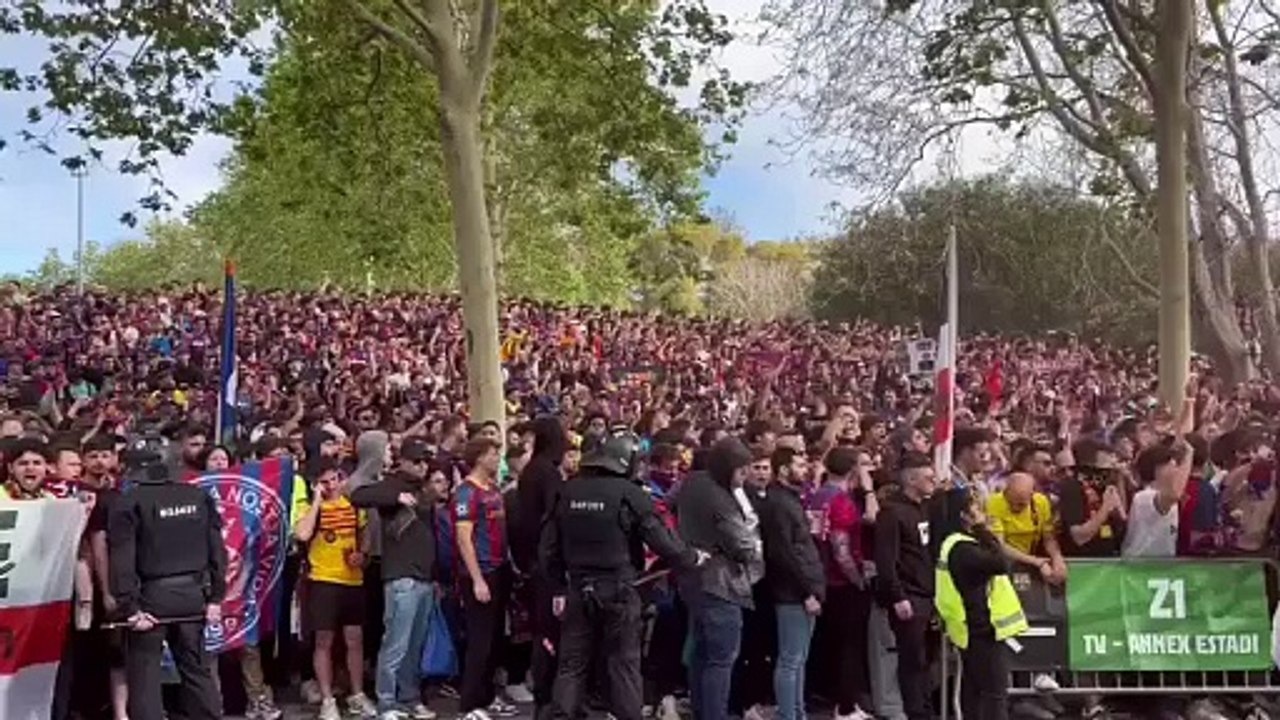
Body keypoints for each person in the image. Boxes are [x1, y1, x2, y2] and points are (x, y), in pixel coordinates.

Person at [539, 431, 704, 720]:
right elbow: (660, 540)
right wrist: (691, 558)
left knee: (572, 665)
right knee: (624, 665)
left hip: (578, 588)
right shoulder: (630, 494)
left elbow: (548, 550)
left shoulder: (568, 491)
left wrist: (558, 587)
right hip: (619, 588)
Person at [107, 444, 226, 720]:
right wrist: (216, 598)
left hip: (151, 597)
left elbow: (122, 559)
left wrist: (130, 607)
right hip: (195, 594)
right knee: (197, 671)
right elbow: (217, 551)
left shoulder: (128, 501)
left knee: (145, 675)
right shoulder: (199, 496)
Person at [351, 435, 438, 720]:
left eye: (426, 461)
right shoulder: (392, 483)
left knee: (414, 645)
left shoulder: (424, 488)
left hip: (424, 576)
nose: (423, 466)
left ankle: (409, 698)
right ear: (404, 462)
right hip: (401, 576)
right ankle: (387, 702)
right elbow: (357, 495)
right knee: (396, 644)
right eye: (417, 461)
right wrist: (395, 497)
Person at [675, 436, 761, 720]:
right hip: (721, 584)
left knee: (701, 654)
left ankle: (701, 711)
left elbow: (669, 501)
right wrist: (755, 540)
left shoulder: (692, 483)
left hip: (692, 578)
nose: (745, 475)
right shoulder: (720, 499)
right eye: (741, 469)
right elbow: (743, 547)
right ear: (727, 468)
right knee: (721, 660)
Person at [293, 458, 379, 720]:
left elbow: (364, 535)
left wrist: (362, 556)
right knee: (324, 642)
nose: (331, 485)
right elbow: (303, 535)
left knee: (355, 640)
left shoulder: (353, 506)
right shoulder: (308, 508)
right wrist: (318, 501)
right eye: (324, 482)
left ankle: (356, 694)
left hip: (352, 581)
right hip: (323, 581)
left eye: (334, 479)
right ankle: (327, 699)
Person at [935, 493, 1027, 720]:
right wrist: (985, 531)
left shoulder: (955, 544)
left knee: (975, 692)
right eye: (976, 509)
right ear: (964, 516)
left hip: (972, 627)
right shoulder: (963, 549)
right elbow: (1001, 563)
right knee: (994, 693)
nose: (983, 514)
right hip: (980, 627)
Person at [454, 437, 519, 720]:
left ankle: (489, 695)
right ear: (480, 457)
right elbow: (463, 538)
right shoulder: (467, 493)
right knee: (479, 640)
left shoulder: (493, 489)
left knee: (495, 638)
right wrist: (477, 579)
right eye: (494, 454)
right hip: (480, 572)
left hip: (500, 568)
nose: (498, 459)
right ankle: (469, 704)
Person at [759, 447, 824, 720]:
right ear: (783, 469)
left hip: (803, 588)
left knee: (799, 660)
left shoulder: (790, 500)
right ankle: (789, 714)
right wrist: (806, 590)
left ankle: (797, 712)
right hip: (793, 593)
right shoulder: (779, 504)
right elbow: (783, 552)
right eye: (798, 465)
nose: (805, 469)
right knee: (790, 659)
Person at [873, 451, 936, 720]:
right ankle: (915, 713)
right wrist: (898, 596)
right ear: (911, 479)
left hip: (926, 595)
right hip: (908, 596)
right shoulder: (891, 514)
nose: (934, 481)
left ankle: (926, 709)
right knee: (911, 662)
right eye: (928, 477)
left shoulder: (922, 508)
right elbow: (886, 560)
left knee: (925, 662)